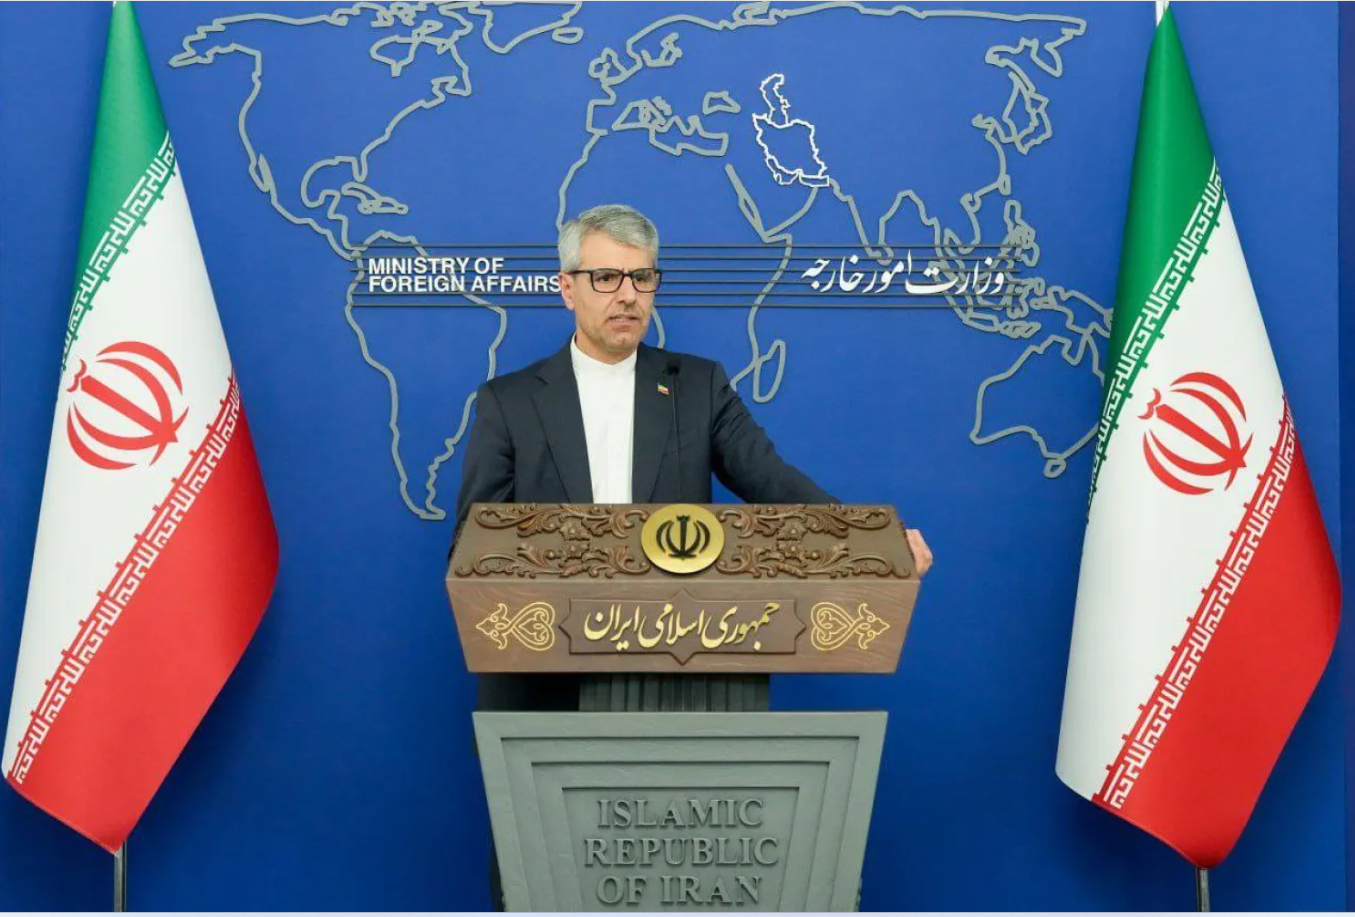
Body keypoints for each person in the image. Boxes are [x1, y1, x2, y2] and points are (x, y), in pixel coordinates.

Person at [452, 204, 933, 907]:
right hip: (542, 699)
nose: (627, 295)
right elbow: (473, 543)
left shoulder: (698, 386)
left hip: (680, 691)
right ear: (567, 287)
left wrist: (873, 543)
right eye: (607, 277)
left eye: (642, 277)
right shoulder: (508, 401)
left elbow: (774, 485)